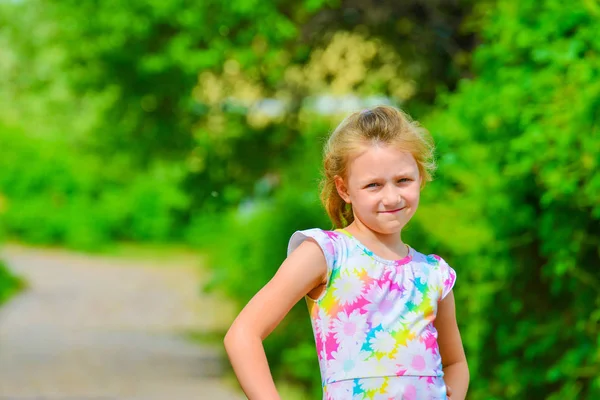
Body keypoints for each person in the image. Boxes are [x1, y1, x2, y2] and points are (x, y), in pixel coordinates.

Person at [224, 105, 470, 399]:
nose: (391, 196)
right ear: (344, 189)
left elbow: (455, 363)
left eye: (403, 180)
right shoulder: (326, 253)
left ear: (420, 177)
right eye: (373, 185)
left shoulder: (434, 274)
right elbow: (243, 335)